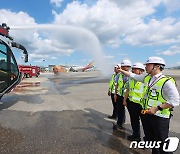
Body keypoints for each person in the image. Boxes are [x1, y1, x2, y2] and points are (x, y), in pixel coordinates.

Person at [117, 57, 180, 154]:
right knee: (152, 140)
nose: (145, 67)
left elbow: (176, 100)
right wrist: (120, 70)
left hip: (160, 117)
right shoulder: (147, 78)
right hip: (148, 114)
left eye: (148, 65)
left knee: (162, 143)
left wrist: (157, 108)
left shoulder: (166, 81)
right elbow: (132, 75)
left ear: (157, 66)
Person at [123, 62, 145, 141]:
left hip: (142, 105)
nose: (133, 70)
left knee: (146, 123)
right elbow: (128, 90)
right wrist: (125, 100)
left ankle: (148, 140)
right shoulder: (131, 79)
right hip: (131, 103)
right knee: (134, 121)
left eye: (135, 69)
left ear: (141, 71)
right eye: (133, 69)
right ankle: (136, 136)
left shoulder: (145, 79)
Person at [113, 59, 131, 130]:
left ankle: (135, 132)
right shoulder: (119, 75)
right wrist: (115, 94)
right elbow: (117, 84)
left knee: (132, 114)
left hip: (129, 97)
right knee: (120, 110)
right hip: (120, 95)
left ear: (128, 67)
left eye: (124, 66)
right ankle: (120, 123)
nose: (122, 68)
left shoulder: (132, 75)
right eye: (122, 66)